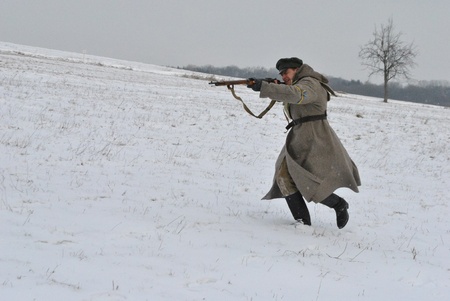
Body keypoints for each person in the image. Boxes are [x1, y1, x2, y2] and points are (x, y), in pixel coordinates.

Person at [247, 57, 361, 229]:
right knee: (283, 176)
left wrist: (266, 87)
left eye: (286, 72)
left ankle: (338, 204)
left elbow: (297, 95)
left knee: (307, 181)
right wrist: (268, 85)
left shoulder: (310, 83)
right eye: (282, 74)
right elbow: (290, 92)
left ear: (297, 69)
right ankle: (302, 221)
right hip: (299, 136)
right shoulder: (299, 83)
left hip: (315, 138)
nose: (284, 76)